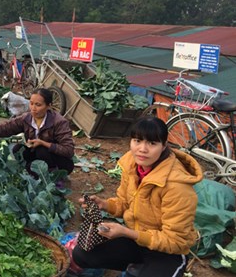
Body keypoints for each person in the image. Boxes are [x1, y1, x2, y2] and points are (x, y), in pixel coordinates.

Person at [72, 117, 202, 277]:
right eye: (137, 141)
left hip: (168, 253)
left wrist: (127, 233)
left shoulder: (177, 186)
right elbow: (126, 203)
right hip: (137, 240)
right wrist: (105, 204)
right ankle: (137, 266)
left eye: (152, 143)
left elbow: (176, 241)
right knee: (82, 254)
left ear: (164, 146)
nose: (142, 149)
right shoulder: (133, 166)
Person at [0, 88, 75, 176]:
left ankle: (54, 175)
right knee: (17, 149)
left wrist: (44, 143)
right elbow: (5, 128)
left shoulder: (59, 122)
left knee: (41, 150)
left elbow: (68, 150)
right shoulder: (26, 118)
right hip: (38, 157)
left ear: (49, 106)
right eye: (31, 104)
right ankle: (39, 174)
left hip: (57, 160)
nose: (33, 108)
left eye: (38, 105)